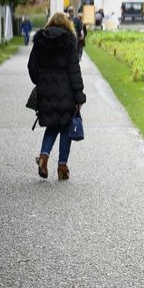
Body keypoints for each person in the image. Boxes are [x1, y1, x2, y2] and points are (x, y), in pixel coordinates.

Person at [28, 12, 85, 181]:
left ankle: (43, 158)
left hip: (45, 89)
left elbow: (31, 66)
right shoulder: (69, 41)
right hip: (65, 89)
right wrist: (79, 96)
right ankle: (62, 167)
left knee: (52, 125)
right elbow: (74, 71)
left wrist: (40, 80)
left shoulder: (40, 40)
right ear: (67, 24)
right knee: (66, 126)